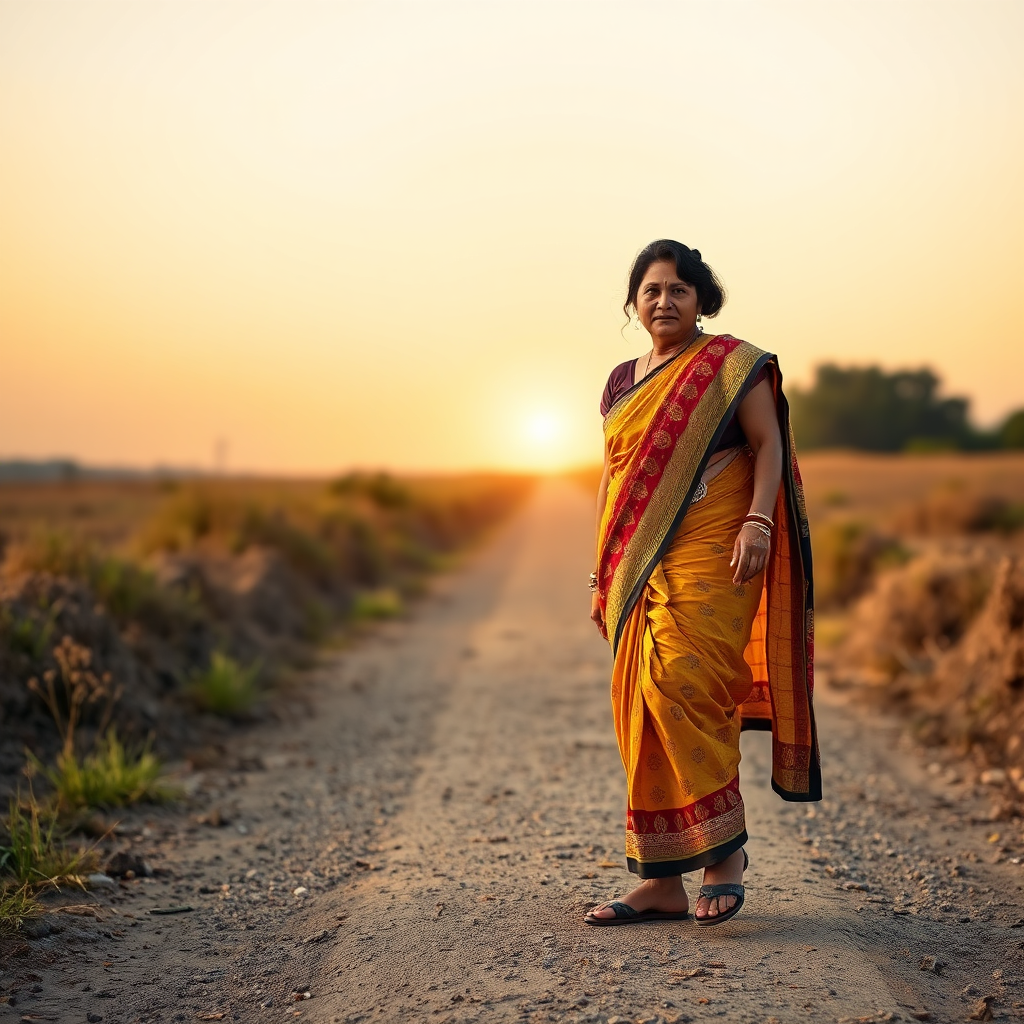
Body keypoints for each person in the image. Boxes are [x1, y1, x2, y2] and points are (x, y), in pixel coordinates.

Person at [585, 240, 820, 927]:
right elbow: (614, 476)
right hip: (637, 558)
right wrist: (602, 568)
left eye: (678, 290)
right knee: (641, 703)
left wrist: (759, 522)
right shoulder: (621, 381)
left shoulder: (730, 366)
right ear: (634, 302)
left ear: (700, 300)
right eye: (652, 290)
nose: (664, 301)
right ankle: (661, 881)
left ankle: (724, 858)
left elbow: (768, 444)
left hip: (716, 547)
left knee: (684, 684)